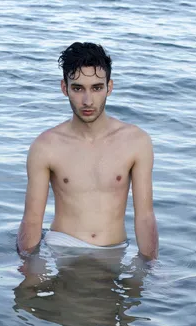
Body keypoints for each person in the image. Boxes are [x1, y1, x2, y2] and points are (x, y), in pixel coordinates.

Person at [17, 42, 158, 260]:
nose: (87, 100)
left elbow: (145, 217)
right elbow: (32, 219)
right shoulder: (45, 146)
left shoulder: (136, 142)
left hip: (114, 250)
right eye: (78, 88)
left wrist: (150, 268)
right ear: (65, 88)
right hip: (63, 247)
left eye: (96, 88)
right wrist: (28, 270)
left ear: (109, 87)